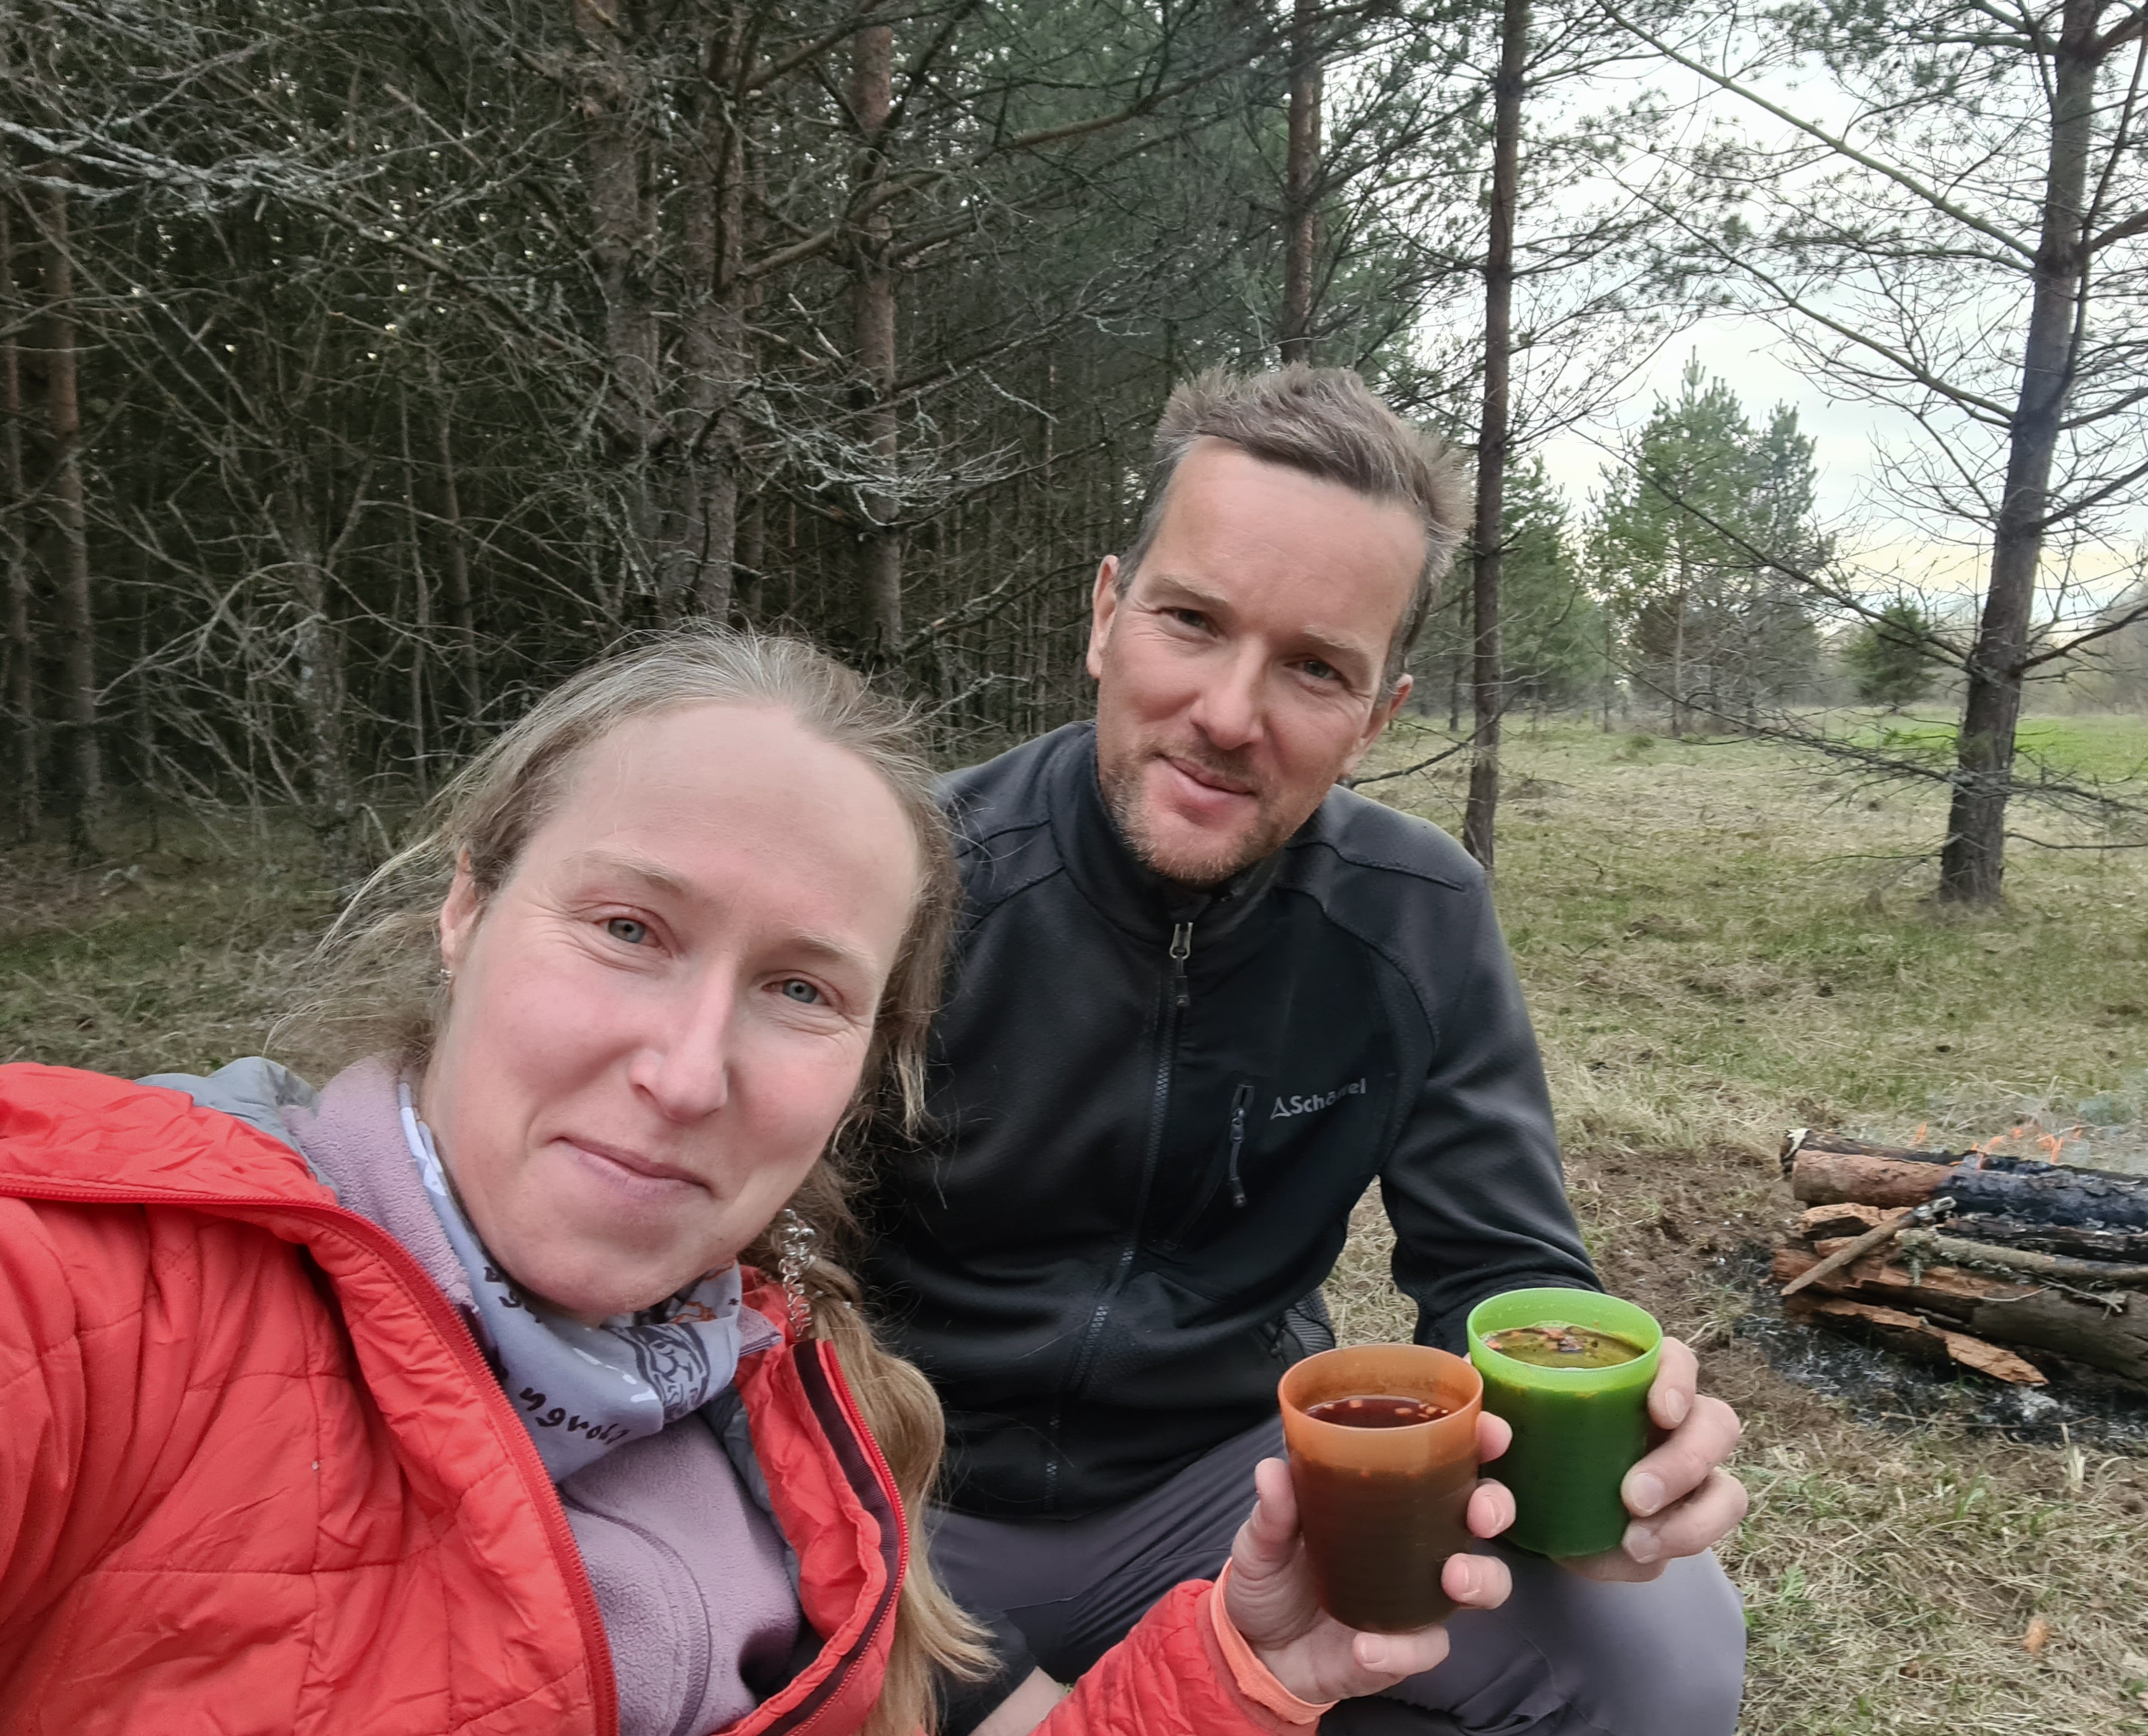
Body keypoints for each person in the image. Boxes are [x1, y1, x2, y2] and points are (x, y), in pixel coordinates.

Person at [0, 631, 1520, 1736]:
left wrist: (1243, 1670)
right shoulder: (98, 1289)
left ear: (876, 1057)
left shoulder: (801, 1424)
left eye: (801, 990)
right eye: (628, 930)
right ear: (467, 906)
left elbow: (1504, 1251)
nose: (685, 1072)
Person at [860, 369, 1751, 1736]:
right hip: (897, 1493)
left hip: (1242, 1491)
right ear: (1106, 616)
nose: (1230, 714)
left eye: (1316, 668)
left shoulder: (1419, 915)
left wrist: (1599, 1462)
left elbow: (1500, 1268)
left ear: (1378, 716)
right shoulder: (904, 878)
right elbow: (737, 1275)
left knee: (1660, 1648)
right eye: (1192, 621)